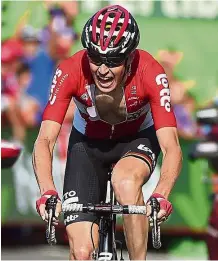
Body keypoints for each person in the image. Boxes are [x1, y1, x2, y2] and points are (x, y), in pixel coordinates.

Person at [33, 5, 182, 260]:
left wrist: (161, 194)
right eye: (95, 58)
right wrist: (47, 191)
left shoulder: (150, 71)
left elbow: (171, 147)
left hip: (136, 140)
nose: (102, 69)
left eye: (113, 61)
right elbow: (45, 138)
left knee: (125, 182)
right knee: (81, 253)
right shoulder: (70, 70)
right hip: (88, 145)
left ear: (129, 57)